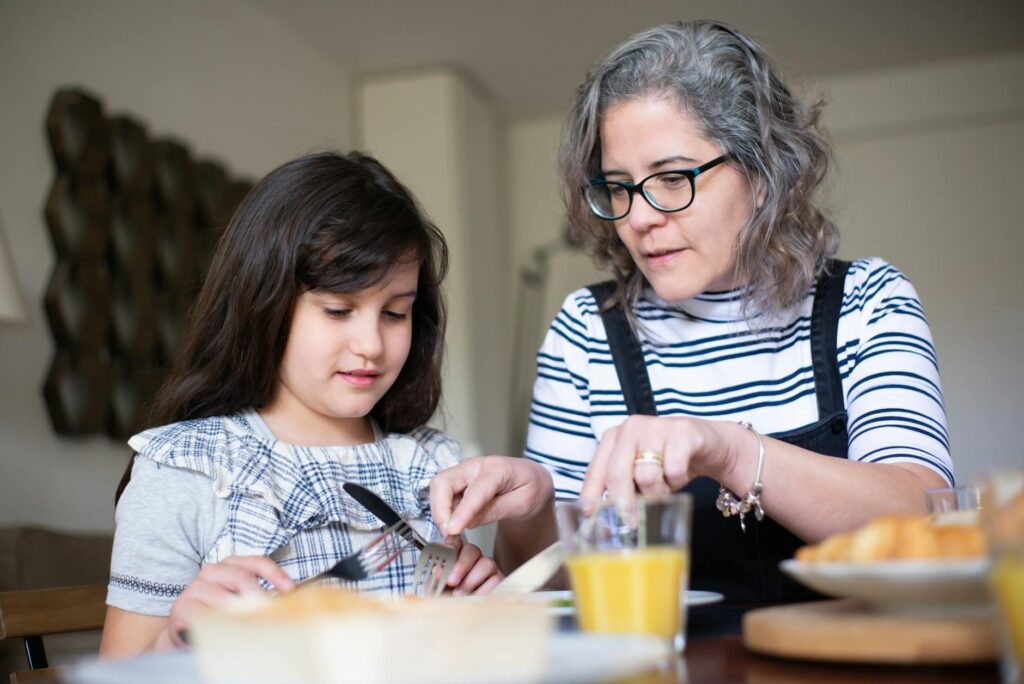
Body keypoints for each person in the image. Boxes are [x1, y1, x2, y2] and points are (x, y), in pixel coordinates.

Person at [430, 20, 951, 603]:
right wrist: (530, 512)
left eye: (673, 178)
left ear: (762, 173)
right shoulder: (585, 331)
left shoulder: (868, 302)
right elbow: (547, 584)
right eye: (619, 187)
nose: (639, 217)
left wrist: (728, 450)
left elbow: (923, 524)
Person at [99, 151, 502, 658]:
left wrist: (480, 603)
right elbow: (121, 671)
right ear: (264, 303)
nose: (371, 344)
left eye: (396, 313)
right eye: (338, 310)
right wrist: (179, 638)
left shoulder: (431, 467)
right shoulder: (188, 470)